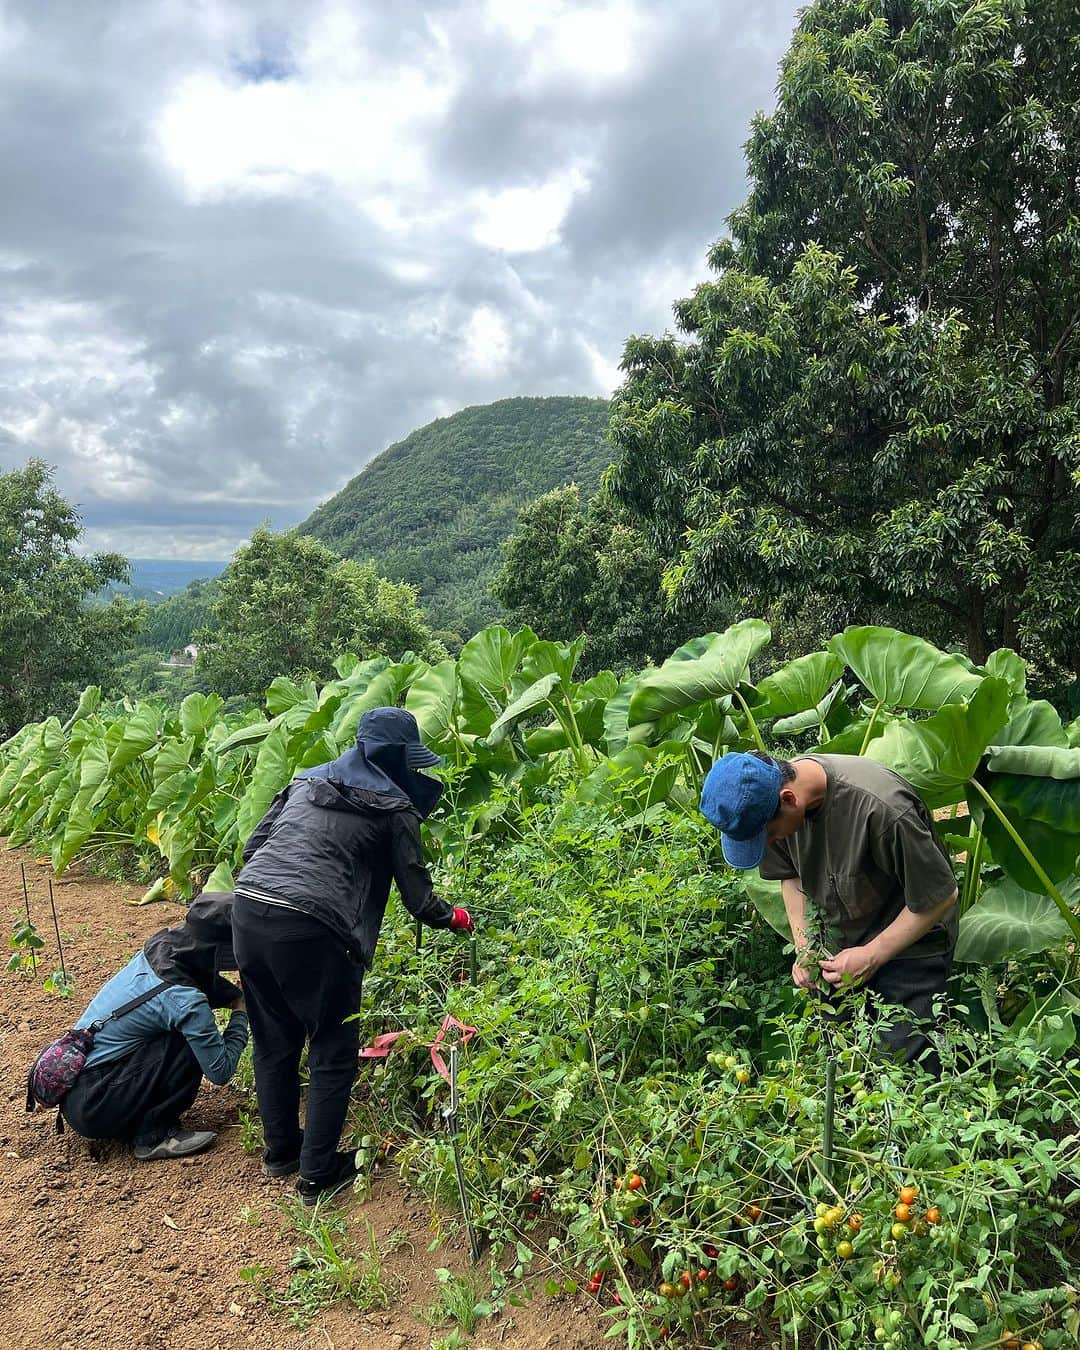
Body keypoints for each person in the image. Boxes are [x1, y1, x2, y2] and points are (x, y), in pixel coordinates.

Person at [232, 705, 472, 1205]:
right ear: (399, 759)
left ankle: (281, 1153)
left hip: (250, 910)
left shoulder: (303, 783)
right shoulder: (395, 807)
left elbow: (253, 848)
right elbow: (418, 899)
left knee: (274, 1040)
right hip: (315, 928)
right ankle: (317, 1174)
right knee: (332, 1051)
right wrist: (456, 918)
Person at [700, 750, 958, 1072]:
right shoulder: (767, 804)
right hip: (840, 943)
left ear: (789, 798)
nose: (771, 843)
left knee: (903, 1073)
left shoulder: (883, 809)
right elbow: (789, 876)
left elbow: (941, 896)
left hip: (911, 943)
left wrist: (874, 954)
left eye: (770, 835)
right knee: (845, 1065)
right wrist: (805, 946)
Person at [59, 893, 249, 1158]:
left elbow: (196, 981)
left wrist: (232, 995)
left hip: (80, 1089)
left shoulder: (159, 949)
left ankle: (133, 1119)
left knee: (173, 1029)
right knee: (185, 1041)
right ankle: (154, 1136)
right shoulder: (185, 1001)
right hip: (97, 1104)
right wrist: (241, 1014)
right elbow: (220, 1071)